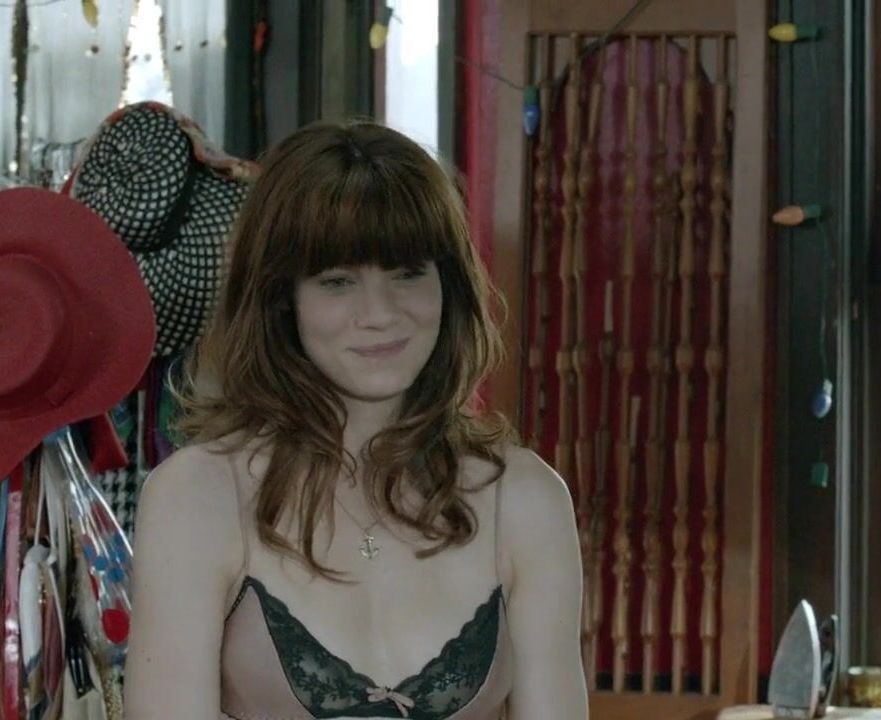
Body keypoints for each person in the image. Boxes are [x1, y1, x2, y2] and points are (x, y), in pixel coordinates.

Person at [122, 121, 588, 719]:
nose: (380, 314)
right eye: (338, 281)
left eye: (407, 272)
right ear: (281, 298)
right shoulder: (198, 495)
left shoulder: (523, 499)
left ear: (447, 286)